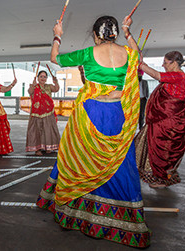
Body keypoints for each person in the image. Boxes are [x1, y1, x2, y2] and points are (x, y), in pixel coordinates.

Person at [36, 16, 151, 248]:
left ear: (96, 34)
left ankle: (79, 210)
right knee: (119, 162)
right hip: (118, 113)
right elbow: (138, 55)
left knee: (80, 156)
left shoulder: (88, 53)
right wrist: (129, 33)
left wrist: (57, 34)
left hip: (92, 113)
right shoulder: (128, 54)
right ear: (115, 33)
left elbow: (54, 58)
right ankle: (123, 216)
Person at [135, 51, 185, 188]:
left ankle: (162, 179)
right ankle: (156, 176)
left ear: (174, 63)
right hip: (162, 121)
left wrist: (141, 65)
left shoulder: (179, 76)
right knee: (146, 146)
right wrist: (140, 60)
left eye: (166, 62)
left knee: (163, 151)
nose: (163, 65)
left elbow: (157, 75)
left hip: (169, 123)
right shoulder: (176, 76)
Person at [26, 70, 61, 156]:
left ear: (46, 78)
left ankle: (48, 147)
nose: (43, 78)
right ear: (37, 78)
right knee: (37, 131)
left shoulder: (49, 86)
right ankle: (37, 149)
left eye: (44, 77)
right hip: (36, 113)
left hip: (48, 112)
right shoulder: (34, 86)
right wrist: (33, 85)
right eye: (41, 76)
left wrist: (56, 82)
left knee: (48, 130)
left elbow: (56, 89)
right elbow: (30, 92)